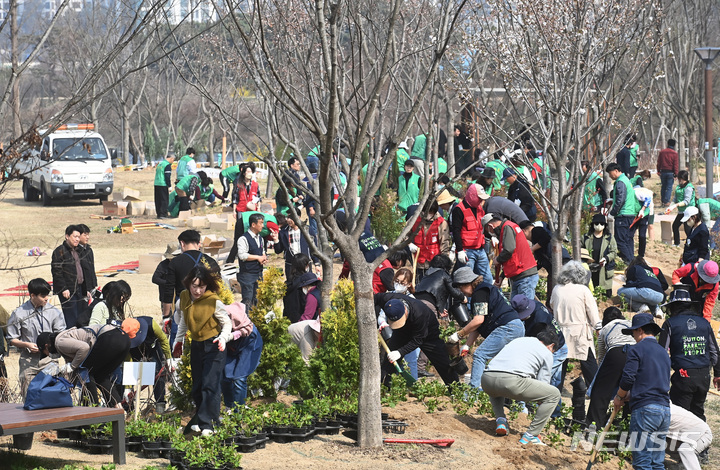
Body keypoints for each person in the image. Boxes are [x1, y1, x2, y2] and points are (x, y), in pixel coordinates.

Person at [172, 265, 232, 435]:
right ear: (188, 284)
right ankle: (203, 419)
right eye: (194, 286)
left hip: (215, 344)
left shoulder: (213, 301)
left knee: (210, 384)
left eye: (202, 286)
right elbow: (184, 321)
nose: (198, 291)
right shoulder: (184, 298)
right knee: (197, 386)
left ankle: (209, 425)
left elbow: (227, 323)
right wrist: (178, 341)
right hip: (197, 345)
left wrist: (223, 338)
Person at [448, 267, 524, 389]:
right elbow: (479, 325)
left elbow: (478, 320)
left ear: (467, 283)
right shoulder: (485, 289)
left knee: (480, 355)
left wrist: (459, 334)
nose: (461, 291)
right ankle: (507, 394)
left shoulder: (480, 293)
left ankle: (473, 392)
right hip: (516, 326)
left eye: (460, 287)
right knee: (505, 362)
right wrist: (467, 345)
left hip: (507, 327)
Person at [482, 329, 561, 446]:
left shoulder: (519, 340)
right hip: (512, 382)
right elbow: (543, 382)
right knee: (554, 394)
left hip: (487, 379)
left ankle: (501, 420)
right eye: (553, 351)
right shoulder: (546, 352)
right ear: (551, 346)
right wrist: (541, 405)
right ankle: (531, 435)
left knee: (497, 387)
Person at [613, 313, 671, 470]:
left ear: (640, 330)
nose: (633, 336)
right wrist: (631, 395)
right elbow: (656, 381)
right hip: (664, 411)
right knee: (657, 463)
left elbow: (628, 378)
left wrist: (619, 396)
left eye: (633, 332)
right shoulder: (663, 353)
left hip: (645, 411)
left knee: (642, 462)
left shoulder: (636, 349)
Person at [38, 321, 133, 407]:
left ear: (46, 346)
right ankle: (118, 408)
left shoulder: (59, 342)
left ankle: (94, 409)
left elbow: (84, 348)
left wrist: (71, 366)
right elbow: (75, 371)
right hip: (125, 339)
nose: (49, 356)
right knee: (100, 376)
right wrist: (70, 387)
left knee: (87, 372)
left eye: (45, 353)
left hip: (110, 337)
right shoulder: (67, 340)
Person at [658, 289, 720, 421]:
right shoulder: (704, 323)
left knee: (679, 416)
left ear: (674, 306)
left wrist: (660, 377)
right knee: (698, 413)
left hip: (683, 376)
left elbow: (661, 353)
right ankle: (701, 434)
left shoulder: (670, 323)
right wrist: (717, 374)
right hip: (704, 376)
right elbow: (714, 351)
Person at [6, 278, 66, 395]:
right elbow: (11, 339)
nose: (46, 298)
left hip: (50, 359)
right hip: (28, 361)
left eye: (47, 295)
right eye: (43, 296)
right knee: (29, 396)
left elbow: (61, 335)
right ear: (32, 295)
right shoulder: (19, 313)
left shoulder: (55, 312)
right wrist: (26, 344)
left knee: (52, 395)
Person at [379, 297, 458, 385]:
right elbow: (373, 299)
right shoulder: (385, 299)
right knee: (388, 361)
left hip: (428, 335)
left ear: (405, 310)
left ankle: (455, 388)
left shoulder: (420, 313)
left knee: (442, 362)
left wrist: (400, 352)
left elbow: (418, 340)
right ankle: (383, 387)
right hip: (402, 332)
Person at [161, 230, 220, 340]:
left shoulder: (175, 262)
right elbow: (218, 287)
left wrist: (166, 316)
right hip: (207, 307)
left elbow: (168, 290)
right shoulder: (211, 261)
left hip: (183, 306)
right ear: (199, 243)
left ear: (182, 243)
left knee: (179, 339)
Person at [549, 261, 600, 387]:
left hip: (561, 330)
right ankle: (594, 389)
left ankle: (555, 390)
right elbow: (592, 311)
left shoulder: (557, 289)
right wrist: (598, 327)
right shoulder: (583, 290)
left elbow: (552, 305)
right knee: (588, 362)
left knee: (560, 364)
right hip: (580, 331)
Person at [585, 307, 634, 428]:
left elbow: (602, 357)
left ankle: (594, 424)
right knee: (633, 388)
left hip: (615, 353)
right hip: (635, 351)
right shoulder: (630, 323)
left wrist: (605, 378)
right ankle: (628, 423)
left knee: (601, 392)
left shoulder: (605, 329)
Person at [511, 295, 568, 393]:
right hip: (558, 345)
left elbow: (541, 346)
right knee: (553, 384)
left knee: (541, 382)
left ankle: (529, 401)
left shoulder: (540, 321)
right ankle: (554, 403)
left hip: (554, 350)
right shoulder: (535, 304)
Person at [51, 224, 96, 329]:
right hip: (68, 290)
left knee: (81, 316)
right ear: (67, 236)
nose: (77, 239)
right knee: (71, 318)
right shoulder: (60, 251)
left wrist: (86, 289)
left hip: (79, 288)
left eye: (78, 237)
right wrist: (63, 288)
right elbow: (57, 272)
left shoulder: (79, 250)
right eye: (75, 236)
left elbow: (85, 271)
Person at [484, 215, 538, 299]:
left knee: (524, 306)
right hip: (519, 275)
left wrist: (498, 259)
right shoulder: (508, 227)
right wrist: (502, 276)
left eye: (487, 231)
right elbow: (511, 257)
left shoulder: (507, 228)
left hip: (524, 276)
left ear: (490, 226)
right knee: (516, 305)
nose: (489, 234)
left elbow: (509, 250)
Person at [127, 316, 172, 414]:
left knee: (158, 372)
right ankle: (130, 411)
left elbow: (163, 340)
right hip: (134, 351)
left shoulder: (151, 324)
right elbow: (129, 364)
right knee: (129, 376)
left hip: (153, 347)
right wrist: (127, 388)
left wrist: (169, 358)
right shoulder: (125, 335)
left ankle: (160, 406)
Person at [222, 302, 263, 408]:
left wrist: (230, 336)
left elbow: (247, 329)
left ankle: (239, 411)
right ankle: (229, 407)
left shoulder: (234, 314)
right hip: (230, 345)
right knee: (225, 377)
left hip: (248, 342)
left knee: (239, 378)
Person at [450, 184, 492, 283]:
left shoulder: (480, 209)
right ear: (472, 196)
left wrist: (491, 236)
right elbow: (456, 231)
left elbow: (482, 226)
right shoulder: (459, 210)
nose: (481, 201)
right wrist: (460, 250)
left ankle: (487, 293)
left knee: (488, 279)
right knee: (467, 281)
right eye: (479, 198)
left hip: (480, 249)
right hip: (467, 251)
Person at [409, 201, 450, 283]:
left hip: (435, 262)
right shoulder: (414, 220)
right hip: (419, 262)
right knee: (419, 284)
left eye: (430, 213)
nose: (428, 215)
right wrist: (409, 244)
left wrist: (444, 261)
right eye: (426, 212)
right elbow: (404, 234)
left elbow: (445, 243)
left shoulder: (441, 222)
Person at [606, 163, 640, 263]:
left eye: (610, 173)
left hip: (623, 215)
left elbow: (620, 200)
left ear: (616, 171)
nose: (610, 176)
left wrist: (612, 213)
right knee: (627, 239)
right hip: (630, 214)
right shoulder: (626, 180)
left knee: (620, 241)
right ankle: (632, 261)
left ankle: (630, 261)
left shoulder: (620, 182)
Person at [228, 163, 260, 263]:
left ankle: (250, 253)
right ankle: (233, 257)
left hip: (252, 211)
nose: (249, 173)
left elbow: (258, 197)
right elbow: (235, 199)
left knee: (252, 232)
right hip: (241, 210)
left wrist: (258, 208)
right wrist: (234, 210)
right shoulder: (238, 185)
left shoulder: (255, 185)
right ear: (244, 173)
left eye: (251, 171)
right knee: (240, 233)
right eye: (248, 171)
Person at [288, 273, 323, 364]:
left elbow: (307, 316)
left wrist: (300, 324)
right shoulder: (321, 291)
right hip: (316, 326)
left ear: (307, 286)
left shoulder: (312, 296)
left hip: (314, 326)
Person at [237, 213, 268, 312]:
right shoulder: (243, 239)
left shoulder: (260, 238)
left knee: (258, 299)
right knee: (248, 300)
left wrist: (263, 257)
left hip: (258, 273)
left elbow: (262, 251)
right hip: (247, 275)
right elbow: (242, 255)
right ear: (253, 225)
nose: (263, 226)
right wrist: (258, 257)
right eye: (261, 223)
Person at [667, 403, 713, 470]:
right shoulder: (662, 406)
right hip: (685, 435)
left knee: (685, 449)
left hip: (702, 434)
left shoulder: (662, 412)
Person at [581, 214, 617, 298]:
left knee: (605, 295)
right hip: (590, 268)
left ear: (605, 225)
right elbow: (580, 251)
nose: (599, 226)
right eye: (596, 223)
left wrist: (606, 258)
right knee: (590, 291)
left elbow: (614, 252)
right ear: (593, 225)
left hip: (604, 269)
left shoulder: (609, 238)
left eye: (601, 224)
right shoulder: (585, 237)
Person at [273, 214, 317, 281]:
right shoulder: (283, 232)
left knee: (307, 282)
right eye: (287, 217)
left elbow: (314, 248)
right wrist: (276, 240)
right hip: (291, 264)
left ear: (298, 217)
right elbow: (278, 250)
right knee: (292, 284)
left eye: (291, 217)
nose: (288, 220)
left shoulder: (307, 229)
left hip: (305, 263)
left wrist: (317, 263)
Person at [666, 170, 696, 248]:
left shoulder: (689, 187)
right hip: (681, 211)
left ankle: (691, 245)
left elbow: (686, 201)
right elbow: (675, 199)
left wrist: (676, 205)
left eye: (680, 179)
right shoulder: (678, 187)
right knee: (675, 226)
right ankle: (676, 243)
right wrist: (671, 206)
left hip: (688, 211)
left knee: (687, 229)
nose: (679, 181)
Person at [633, 185, 654, 257]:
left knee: (642, 235)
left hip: (643, 215)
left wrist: (642, 210)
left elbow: (648, 199)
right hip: (635, 215)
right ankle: (631, 253)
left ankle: (641, 255)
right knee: (630, 234)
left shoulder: (637, 192)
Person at [657, 139, 678, 207]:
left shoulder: (662, 152)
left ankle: (663, 201)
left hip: (663, 171)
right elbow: (675, 164)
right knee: (669, 187)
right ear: (674, 145)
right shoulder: (674, 153)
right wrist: (676, 174)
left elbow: (659, 162)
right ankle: (666, 201)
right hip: (670, 172)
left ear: (667, 144)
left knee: (663, 186)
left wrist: (658, 170)